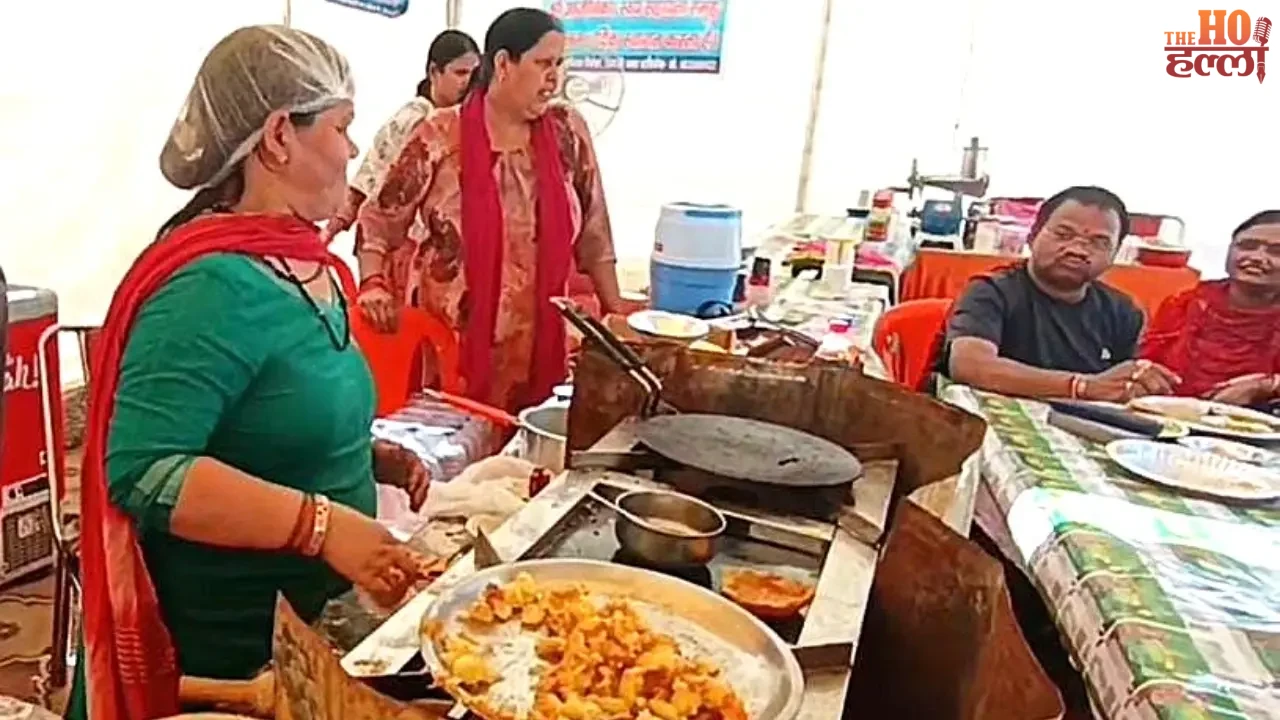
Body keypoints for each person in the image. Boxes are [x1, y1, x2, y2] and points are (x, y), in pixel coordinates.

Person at [69, 26, 434, 719]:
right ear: (277, 137)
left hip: (317, 633)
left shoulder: (308, 264)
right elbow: (146, 470)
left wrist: (362, 458)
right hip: (234, 664)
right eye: (341, 126)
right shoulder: (209, 285)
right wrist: (324, 525)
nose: (354, 150)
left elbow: (272, 413)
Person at [357, 7, 624, 412]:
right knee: (460, 464)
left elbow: (595, 233)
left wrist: (616, 314)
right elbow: (380, 218)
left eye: (560, 64)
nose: (555, 77)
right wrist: (373, 282)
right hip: (454, 354)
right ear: (503, 64)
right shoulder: (441, 135)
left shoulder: (568, 131)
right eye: (542, 64)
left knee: (522, 464)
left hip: (541, 349)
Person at [937, 185, 1180, 401]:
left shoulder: (1124, 311)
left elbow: (1124, 385)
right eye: (1063, 235)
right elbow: (970, 366)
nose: (1078, 249)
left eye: (1099, 242)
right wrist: (1081, 386)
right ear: (1032, 236)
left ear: (1115, 254)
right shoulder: (990, 291)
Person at [323, 29, 480, 253]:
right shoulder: (414, 118)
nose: (467, 81)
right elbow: (370, 176)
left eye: (473, 74)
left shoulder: (466, 125)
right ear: (434, 72)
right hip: (395, 246)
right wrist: (329, 233)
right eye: (460, 72)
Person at [1139, 210, 1280, 406]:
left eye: (1276, 252)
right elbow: (1146, 363)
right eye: (1247, 246)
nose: (1257, 257)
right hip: (1166, 415)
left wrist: (1268, 386)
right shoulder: (1184, 303)